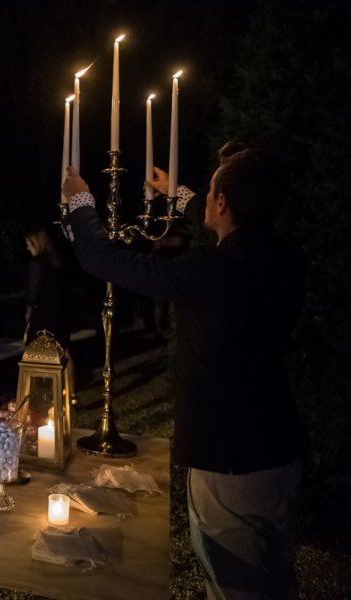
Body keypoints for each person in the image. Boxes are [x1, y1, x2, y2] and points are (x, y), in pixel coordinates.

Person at [62, 147, 307, 599]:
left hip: (232, 458)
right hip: (279, 446)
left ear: (223, 203)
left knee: (235, 583)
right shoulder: (285, 256)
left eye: (212, 191)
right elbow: (231, 221)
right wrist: (178, 195)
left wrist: (81, 204)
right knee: (274, 572)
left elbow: (105, 261)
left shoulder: (214, 271)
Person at [24, 226, 77, 403]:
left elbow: (32, 296)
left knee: (36, 352)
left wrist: (28, 316)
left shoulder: (37, 263)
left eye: (29, 244)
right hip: (62, 313)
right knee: (65, 352)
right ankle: (71, 395)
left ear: (35, 243)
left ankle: (40, 394)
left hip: (45, 314)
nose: (27, 248)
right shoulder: (58, 261)